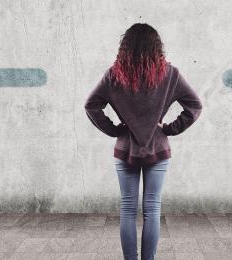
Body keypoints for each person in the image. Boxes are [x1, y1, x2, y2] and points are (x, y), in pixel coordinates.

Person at [84, 23, 202, 260]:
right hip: (158, 149)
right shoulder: (170, 74)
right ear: (156, 46)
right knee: (152, 209)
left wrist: (115, 130)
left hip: (125, 149)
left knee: (128, 210)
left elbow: (91, 105)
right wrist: (169, 129)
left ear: (125, 47)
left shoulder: (113, 74)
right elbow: (195, 105)